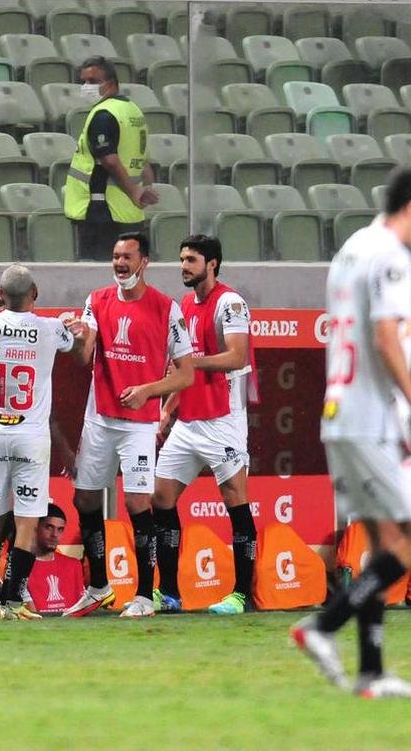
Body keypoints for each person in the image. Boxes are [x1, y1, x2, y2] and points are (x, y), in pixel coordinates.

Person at [292, 168, 411, 699]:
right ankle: (324, 626)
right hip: (374, 419)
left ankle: (372, 671)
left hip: (340, 415)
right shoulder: (391, 256)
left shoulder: (353, 248)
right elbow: (385, 339)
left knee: (382, 545)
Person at [64, 232, 195, 618]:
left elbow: (186, 375)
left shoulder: (166, 309)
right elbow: (83, 356)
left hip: (138, 423)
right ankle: (98, 586)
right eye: (115, 256)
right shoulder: (96, 300)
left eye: (127, 257)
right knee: (84, 498)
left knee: (138, 503)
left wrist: (148, 391)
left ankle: (142, 594)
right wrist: (79, 336)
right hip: (99, 418)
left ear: (144, 262)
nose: (120, 263)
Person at [0, 264, 80, 620]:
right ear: (35, 292)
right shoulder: (51, 329)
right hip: (30, 438)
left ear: (1, 294)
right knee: (27, 520)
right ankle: (12, 600)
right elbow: (78, 343)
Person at [153, 235, 258, 616]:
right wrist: (168, 410)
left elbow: (237, 356)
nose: (183, 266)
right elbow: (181, 368)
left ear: (212, 263)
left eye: (191, 260)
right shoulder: (184, 304)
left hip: (223, 421)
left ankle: (241, 594)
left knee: (236, 501)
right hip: (189, 422)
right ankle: (168, 593)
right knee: (161, 498)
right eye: (181, 259)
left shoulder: (229, 303)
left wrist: (192, 364)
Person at [63, 56, 158, 262]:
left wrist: (134, 191)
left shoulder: (104, 114)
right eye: (84, 81)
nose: (87, 87)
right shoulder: (132, 110)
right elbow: (143, 159)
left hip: (102, 211)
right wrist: (146, 188)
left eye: (93, 82)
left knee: (99, 275)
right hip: (129, 213)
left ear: (112, 83)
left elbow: (110, 160)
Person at [26, 504, 85, 615]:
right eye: (49, 527)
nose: (54, 535)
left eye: (60, 529)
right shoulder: (21, 566)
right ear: (36, 527)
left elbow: (81, 608)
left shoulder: (73, 565)